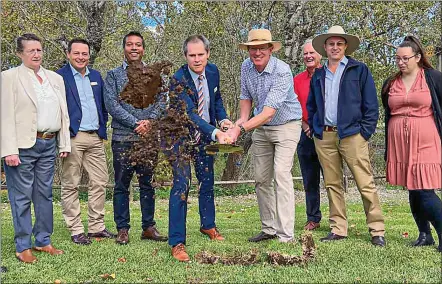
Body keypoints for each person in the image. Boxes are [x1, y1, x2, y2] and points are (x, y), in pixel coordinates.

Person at [307, 25, 385, 246]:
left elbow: (371, 105)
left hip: (352, 135)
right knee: (332, 184)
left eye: (339, 44)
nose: (335, 47)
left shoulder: (359, 70)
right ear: (324, 47)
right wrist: (315, 128)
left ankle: (377, 229)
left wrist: (364, 133)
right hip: (325, 136)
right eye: (331, 44)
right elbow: (312, 105)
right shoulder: (319, 74)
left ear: (345, 46)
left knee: (365, 182)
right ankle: (338, 228)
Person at [227, 29, 302, 243]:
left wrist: (240, 129)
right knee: (261, 178)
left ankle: (286, 234)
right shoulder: (246, 67)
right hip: (261, 128)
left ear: (270, 49)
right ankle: (269, 228)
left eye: (261, 48)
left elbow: (269, 112)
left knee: (281, 174)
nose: (257, 52)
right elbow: (245, 97)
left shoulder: (282, 71)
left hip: (287, 125)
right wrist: (241, 119)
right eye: (253, 48)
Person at [1, 33, 71, 263]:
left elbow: (63, 113)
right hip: (21, 146)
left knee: (44, 195)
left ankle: (43, 240)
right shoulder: (9, 77)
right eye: (31, 50)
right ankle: (23, 246)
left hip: (48, 144)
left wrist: (63, 142)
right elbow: (5, 116)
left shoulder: (54, 78)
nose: (36, 54)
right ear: (20, 53)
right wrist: (9, 149)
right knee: (21, 197)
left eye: (39, 49)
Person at [167, 35, 233, 262]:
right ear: (185, 56)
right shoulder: (177, 80)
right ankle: (177, 242)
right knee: (181, 186)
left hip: (204, 140)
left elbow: (217, 101)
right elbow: (191, 115)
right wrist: (216, 132)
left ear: (208, 54)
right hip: (180, 140)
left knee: (207, 182)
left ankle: (208, 226)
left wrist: (223, 120)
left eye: (200, 54)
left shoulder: (213, 72)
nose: (197, 59)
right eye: (192, 55)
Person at [103, 31, 167, 245]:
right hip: (123, 138)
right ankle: (122, 229)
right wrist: (134, 123)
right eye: (129, 44)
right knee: (122, 185)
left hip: (148, 139)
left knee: (147, 184)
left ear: (143, 49)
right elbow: (112, 104)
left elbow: (161, 101)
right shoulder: (113, 75)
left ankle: (148, 227)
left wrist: (149, 121)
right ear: (124, 48)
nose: (133, 48)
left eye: (138, 45)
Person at [381, 35, 442, 252]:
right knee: (412, 189)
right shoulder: (391, 83)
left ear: (417, 57)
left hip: (426, 138)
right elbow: (388, 112)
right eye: (397, 58)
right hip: (400, 142)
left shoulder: (433, 78)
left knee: (424, 189)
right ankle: (424, 234)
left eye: (405, 58)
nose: (400, 62)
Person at [57, 38, 115, 245]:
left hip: (95, 137)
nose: (81, 57)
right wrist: (62, 138)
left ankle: (96, 227)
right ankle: (75, 229)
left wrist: (102, 127)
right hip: (73, 136)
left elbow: (102, 104)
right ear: (68, 54)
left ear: (89, 55)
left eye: (85, 54)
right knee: (70, 183)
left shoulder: (96, 76)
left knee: (100, 181)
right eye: (77, 53)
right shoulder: (59, 77)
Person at [294, 39, 323, 231]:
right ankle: (313, 217)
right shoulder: (297, 80)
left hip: (326, 133)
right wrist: (304, 124)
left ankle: (339, 220)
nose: (308, 56)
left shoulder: (328, 75)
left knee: (332, 179)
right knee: (309, 179)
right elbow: (294, 106)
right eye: (305, 53)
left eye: (312, 52)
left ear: (320, 54)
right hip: (305, 134)